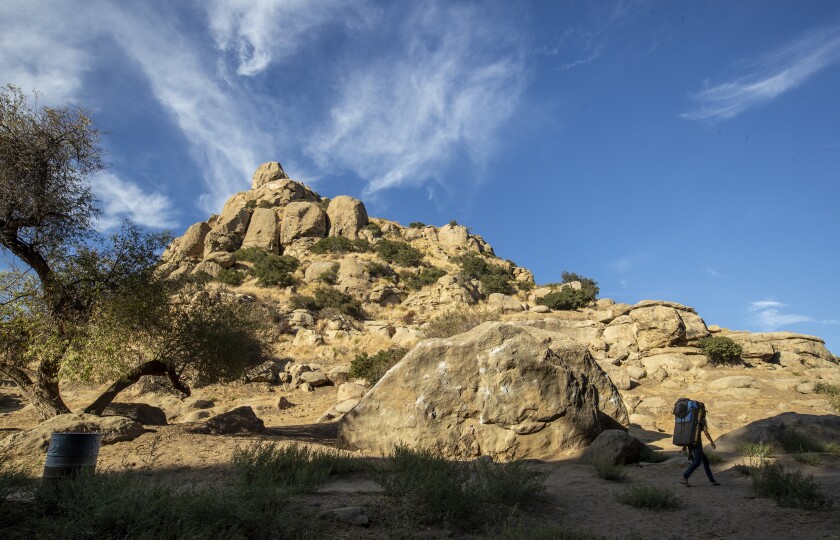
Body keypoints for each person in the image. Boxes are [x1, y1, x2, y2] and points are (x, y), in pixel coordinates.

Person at [679, 415, 719, 487]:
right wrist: (712, 442)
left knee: (706, 461)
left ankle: (712, 481)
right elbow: (706, 432)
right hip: (697, 445)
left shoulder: (690, 421)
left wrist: (684, 446)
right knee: (697, 462)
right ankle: (685, 477)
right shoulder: (701, 420)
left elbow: (687, 433)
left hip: (690, 444)